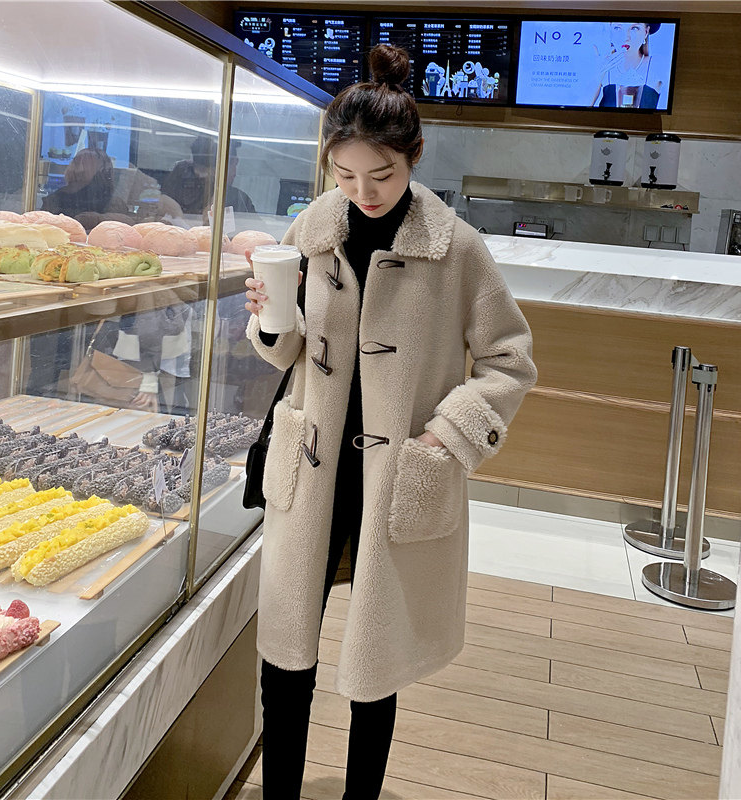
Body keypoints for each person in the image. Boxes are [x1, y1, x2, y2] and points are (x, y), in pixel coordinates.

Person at [244, 44, 537, 800]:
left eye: (382, 174)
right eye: (344, 175)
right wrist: (271, 321)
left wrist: (446, 438)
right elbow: (290, 354)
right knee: (285, 654)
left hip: (397, 473)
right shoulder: (313, 228)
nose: (362, 192)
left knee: (375, 664)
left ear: (414, 157)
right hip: (311, 469)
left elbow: (509, 361)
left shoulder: (455, 247)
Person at [162, 136, 255, 218]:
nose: (234, 173)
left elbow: (252, 227)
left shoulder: (237, 199)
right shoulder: (177, 188)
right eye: (202, 171)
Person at [591, 22, 665, 109]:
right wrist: (597, 76)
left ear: (646, 32)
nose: (626, 37)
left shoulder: (657, 64)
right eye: (617, 28)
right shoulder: (602, 64)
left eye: (634, 28)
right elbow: (583, 108)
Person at [42, 147, 129, 222]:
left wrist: (98, 218)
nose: (79, 169)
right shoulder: (54, 200)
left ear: (101, 172)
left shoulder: (114, 204)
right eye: (76, 162)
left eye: (85, 163)